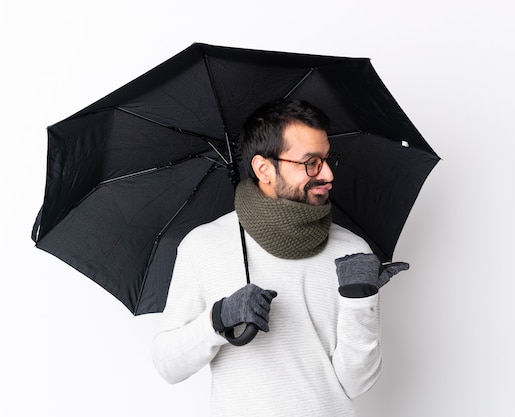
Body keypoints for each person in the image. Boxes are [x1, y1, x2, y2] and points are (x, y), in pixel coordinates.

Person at [152, 99, 409, 416]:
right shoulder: (204, 245)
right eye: (311, 162)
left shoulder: (351, 251)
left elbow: (356, 383)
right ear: (263, 169)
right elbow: (167, 365)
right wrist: (217, 319)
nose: (327, 174)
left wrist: (360, 300)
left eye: (328, 159)